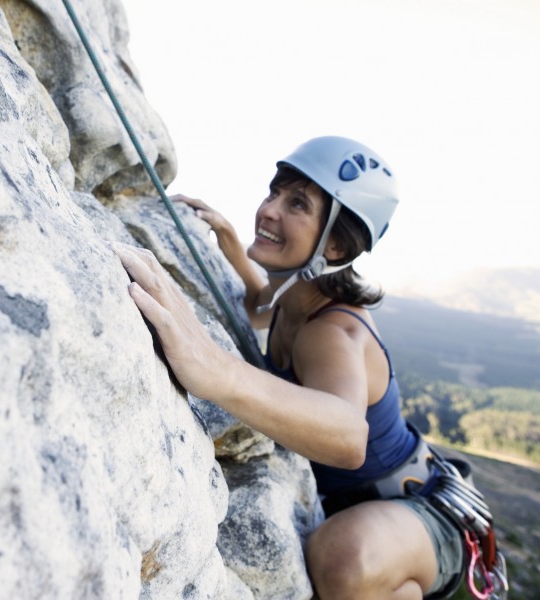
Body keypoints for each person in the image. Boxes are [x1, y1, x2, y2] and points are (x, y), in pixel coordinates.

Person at [113, 136, 465, 599]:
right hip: (382, 504)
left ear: (336, 245)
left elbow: (348, 437)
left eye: (296, 203)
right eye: (274, 192)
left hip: (416, 512)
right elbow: (260, 304)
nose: (269, 209)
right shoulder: (294, 297)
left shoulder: (333, 330)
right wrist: (233, 246)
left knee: (343, 558)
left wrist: (216, 371)